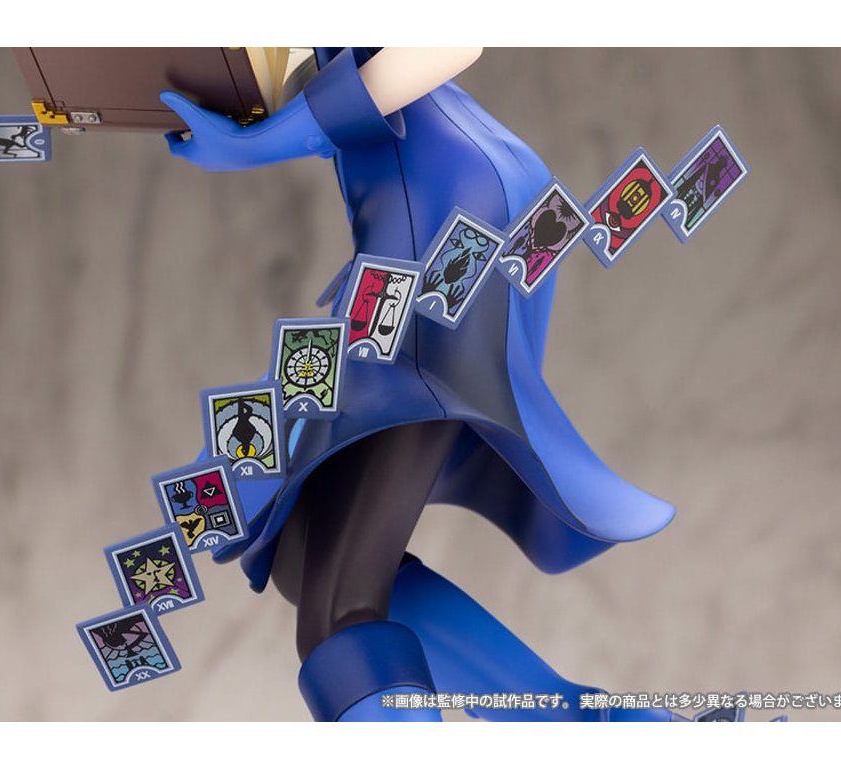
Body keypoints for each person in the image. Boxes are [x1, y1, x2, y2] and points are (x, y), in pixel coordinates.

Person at [161, 48, 676, 722]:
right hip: (436, 205)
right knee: (302, 558)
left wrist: (270, 139)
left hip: (443, 220)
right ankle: (589, 726)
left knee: (338, 614)